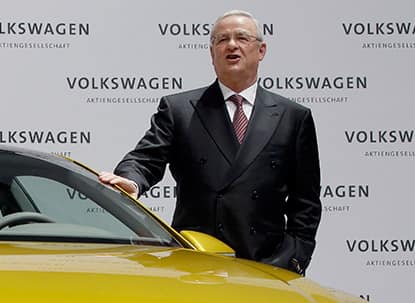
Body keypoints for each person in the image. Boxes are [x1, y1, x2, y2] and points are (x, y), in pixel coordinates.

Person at [99, 10, 321, 274]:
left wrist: (292, 260)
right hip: (196, 264)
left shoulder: (292, 117)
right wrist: (131, 180)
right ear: (212, 52)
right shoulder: (180, 109)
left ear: (261, 50)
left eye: (242, 38)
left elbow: (306, 203)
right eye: (221, 39)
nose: (231, 45)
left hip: (267, 267)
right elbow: (145, 159)